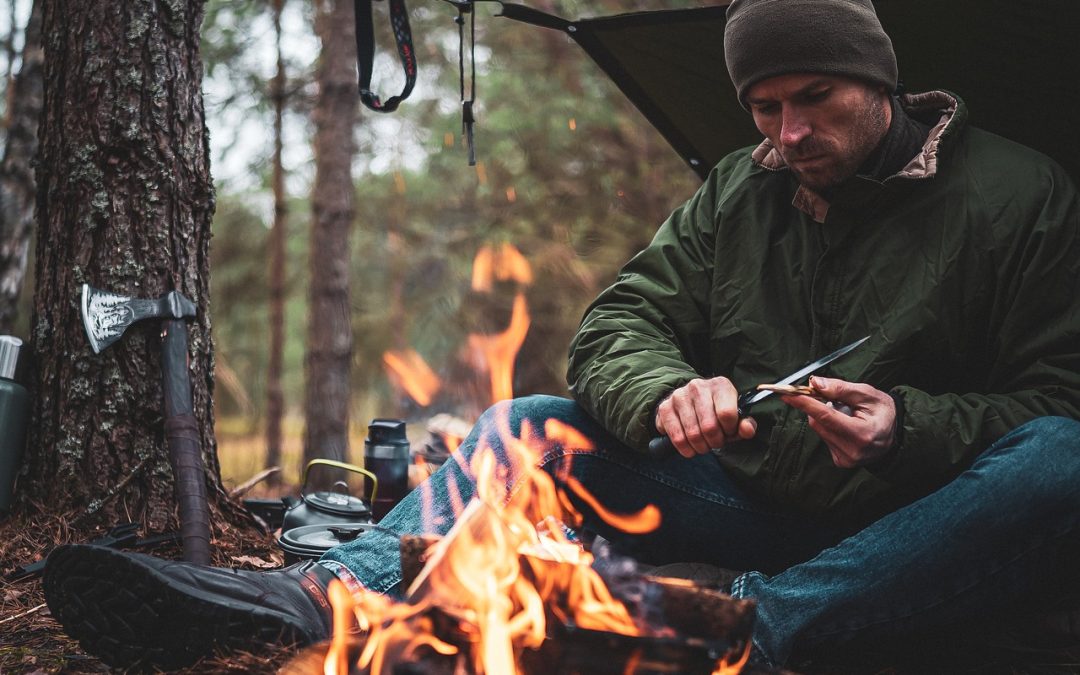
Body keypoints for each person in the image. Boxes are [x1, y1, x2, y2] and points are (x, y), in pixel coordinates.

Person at [44, 0, 1080, 669]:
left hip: (923, 519)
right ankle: (321, 594)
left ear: (883, 84)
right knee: (533, 421)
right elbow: (623, 324)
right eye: (765, 107)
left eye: (816, 99)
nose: (788, 134)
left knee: (1066, 458)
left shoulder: (1019, 195)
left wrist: (913, 429)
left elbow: (1058, 397)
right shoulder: (740, 185)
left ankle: (754, 629)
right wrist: (667, 389)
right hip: (756, 494)